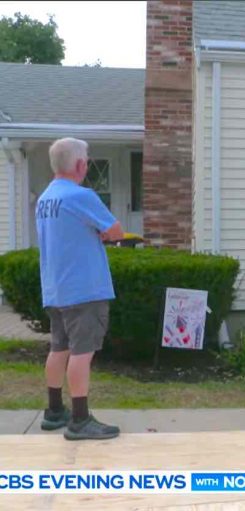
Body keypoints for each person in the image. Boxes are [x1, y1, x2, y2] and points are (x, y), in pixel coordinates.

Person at [37, 138, 124, 440]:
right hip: (84, 289)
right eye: (86, 159)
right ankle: (80, 419)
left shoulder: (46, 198)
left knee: (58, 348)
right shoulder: (81, 195)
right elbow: (115, 231)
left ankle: (53, 410)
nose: (86, 163)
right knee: (82, 354)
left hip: (56, 288)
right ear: (79, 165)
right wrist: (105, 233)